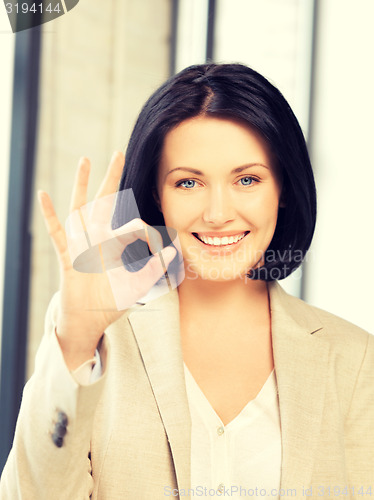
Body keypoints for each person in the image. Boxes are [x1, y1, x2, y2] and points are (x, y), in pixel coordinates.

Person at [0, 63, 373, 499]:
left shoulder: (354, 359)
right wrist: (77, 339)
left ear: (284, 188)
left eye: (247, 179)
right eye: (189, 182)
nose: (217, 214)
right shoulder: (100, 339)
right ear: (158, 194)